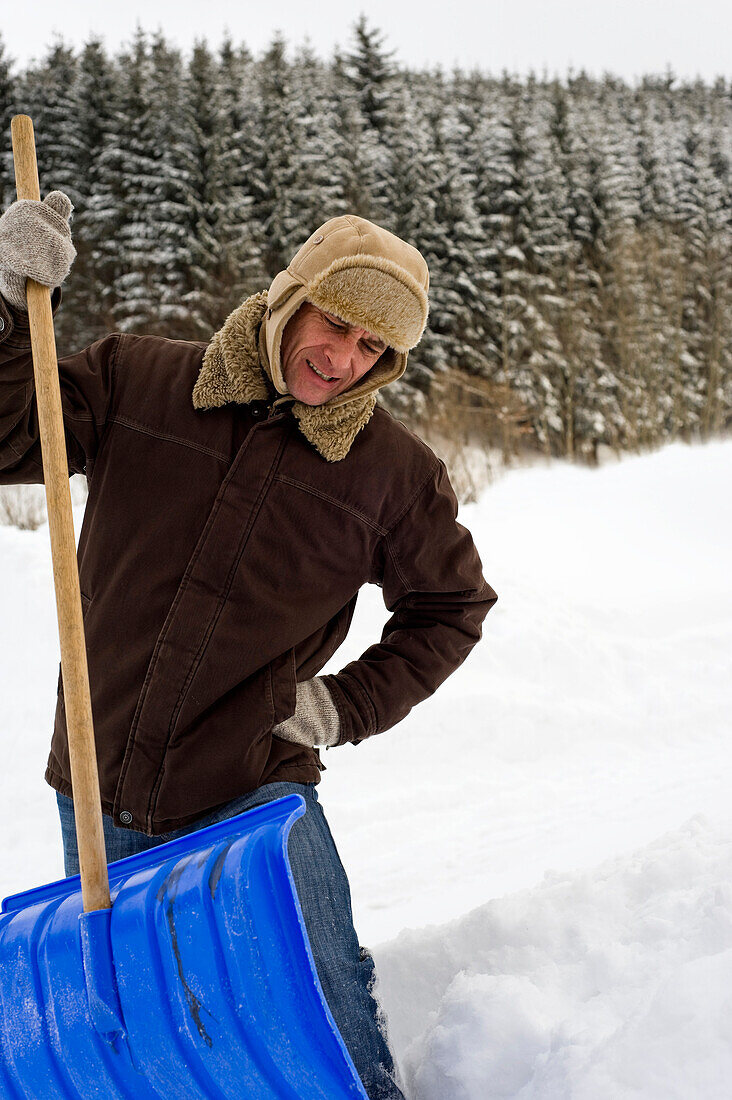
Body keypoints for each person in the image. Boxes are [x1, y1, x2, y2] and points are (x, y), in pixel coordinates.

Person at [0, 194, 497, 1099]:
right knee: (154, 1030)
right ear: (290, 297)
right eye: (336, 324)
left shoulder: (392, 475)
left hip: (253, 794)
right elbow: (7, 434)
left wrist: (345, 706)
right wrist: (7, 306)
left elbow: (452, 605)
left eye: (373, 350)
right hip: (97, 777)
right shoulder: (140, 379)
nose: (344, 361)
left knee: (325, 1007)